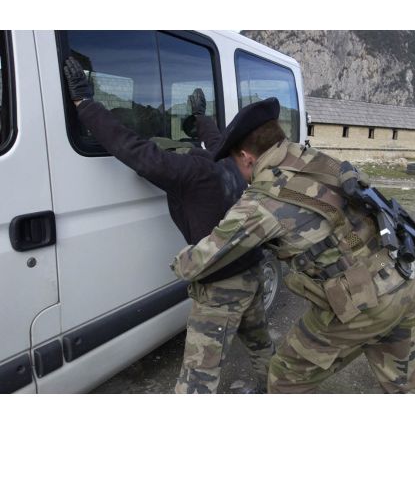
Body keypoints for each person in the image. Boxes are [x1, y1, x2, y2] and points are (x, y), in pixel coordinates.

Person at [170, 97, 415, 393]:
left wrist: (177, 262)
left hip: (364, 303)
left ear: (246, 157)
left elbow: (202, 260)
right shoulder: (319, 160)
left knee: (283, 379)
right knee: (404, 384)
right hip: (405, 279)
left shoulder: (262, 202)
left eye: (234, 164)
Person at [63, 56, 273, 393]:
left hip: (220, 285)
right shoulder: (231, 163)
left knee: (197, 381)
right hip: (251, 269)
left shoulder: (190, 171)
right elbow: (217, 140)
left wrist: (85, 104)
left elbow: (134, 150)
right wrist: (202, 116)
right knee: (260, 341)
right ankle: (272, 388)